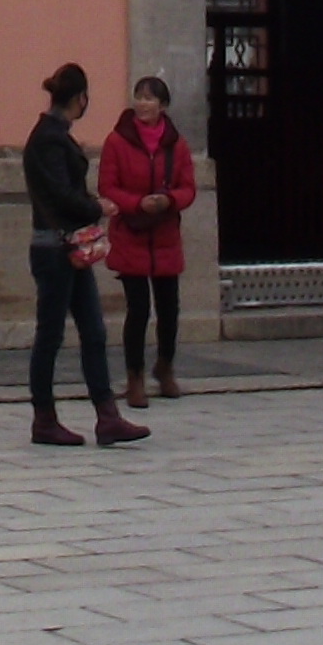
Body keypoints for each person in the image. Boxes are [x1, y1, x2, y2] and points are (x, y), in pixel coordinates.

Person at [23, 64, 148, 447]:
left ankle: (106, 415)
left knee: (93, 330)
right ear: (80, 98)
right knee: (51, 333)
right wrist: (96, 207)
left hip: (70, 246)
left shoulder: (54, 136)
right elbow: (61, 195)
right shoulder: (48, 139)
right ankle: (44, 416)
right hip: (55, 247)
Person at [98, 74, 196, 409]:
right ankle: (134, 376)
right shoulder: (117, 141)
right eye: (138, 97)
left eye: (149, 98)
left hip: (165, 235)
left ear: (163, 106)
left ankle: (165, 367)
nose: (142, 103)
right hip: (132, 235)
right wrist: (136, 203)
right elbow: (108, 187)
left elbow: (188, 187)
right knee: (138, 309)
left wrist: (168, 200)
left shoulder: (176, 144)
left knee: (169, 308)